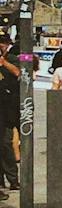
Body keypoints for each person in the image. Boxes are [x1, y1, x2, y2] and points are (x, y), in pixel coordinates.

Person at [0, 32, 19, 194]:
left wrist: (3, 62)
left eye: (2, 43)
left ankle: (13, 179)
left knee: (6, 144)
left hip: (7, 110)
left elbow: (18, 73)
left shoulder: (12, 58)